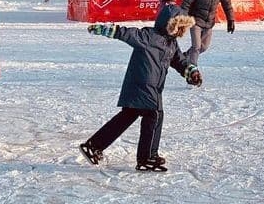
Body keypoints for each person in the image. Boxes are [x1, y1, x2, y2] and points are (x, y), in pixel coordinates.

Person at [79, 10, 202, 171]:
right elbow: (126, 33)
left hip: (148, 86)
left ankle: (93, 146)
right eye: (179, 27)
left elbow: (179, 60)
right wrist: (104, 29)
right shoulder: (149, 36)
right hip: (143, 84)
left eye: (183, 28)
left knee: (128, 115)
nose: (181, 31)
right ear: (170, 24)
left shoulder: (171, 43)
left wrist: (191, 72)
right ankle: (147, 157)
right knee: (155, 114)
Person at [177, 0, 235, 66]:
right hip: (195, 20)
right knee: (196, 46)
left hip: (209, 22)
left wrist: (231, 20)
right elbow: (186, 4)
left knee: (204, 47)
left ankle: (185, 56)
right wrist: (182, 21)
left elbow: (227, 4)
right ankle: (193, 67)